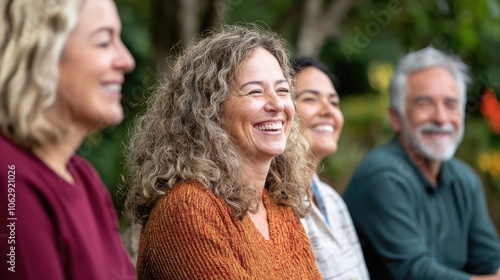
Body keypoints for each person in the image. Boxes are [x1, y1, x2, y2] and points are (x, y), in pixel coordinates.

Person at [124, 25, 321, 279]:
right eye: (256, 91)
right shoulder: (188, 210)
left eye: (283, 90)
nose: (277, 104)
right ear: (208, 110)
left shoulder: (278, 204)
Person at [0, 0, 136, 279]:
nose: (126, 60)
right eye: (103, 42)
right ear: (42, 52)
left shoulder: (83, 177)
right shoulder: (9, 177)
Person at [344, 46, 500, 280]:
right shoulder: (383, 176)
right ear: (396, 118)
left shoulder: (464, 179)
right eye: (425, 104)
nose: (441, 117)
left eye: (451, 104)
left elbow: (490, 261)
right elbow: (415, 273)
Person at [292, 57, 370, 279]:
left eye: (334, 103)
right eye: (311, 99)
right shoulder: (273, 205)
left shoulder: (334, 200)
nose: (328, 111)